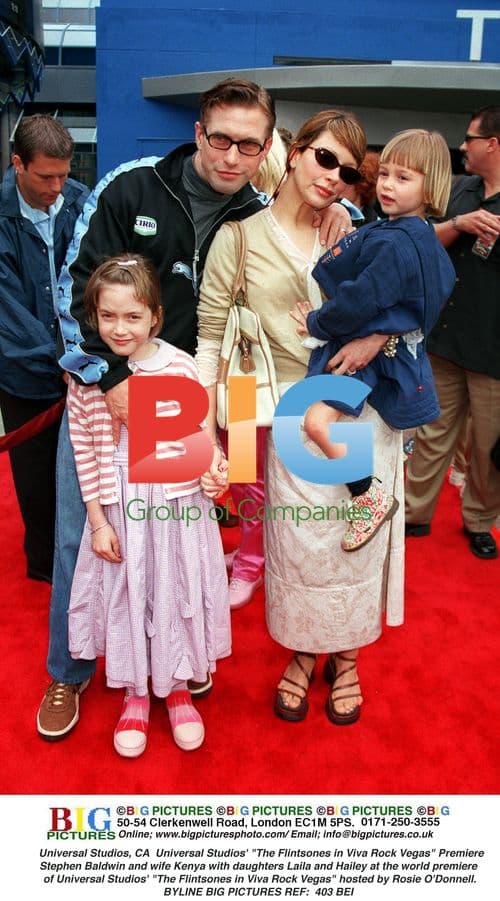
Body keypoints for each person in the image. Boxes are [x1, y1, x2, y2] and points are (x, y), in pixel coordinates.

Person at [36, 77, 351, 741]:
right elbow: (71, 292)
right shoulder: (132, 185)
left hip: (192, 405)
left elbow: (258, 324)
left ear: (268, 147)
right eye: (219, 138)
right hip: (106, 394)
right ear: (197, 133)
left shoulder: (261, 220)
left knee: (181, 542)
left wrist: (344, 225)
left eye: (247, 143)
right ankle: (69, 669)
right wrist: (113, 378)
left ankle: (174, 660)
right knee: (86, 535)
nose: (230, 156)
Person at [197, 110, 404, 727]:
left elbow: (411, 307)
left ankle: (347, 656)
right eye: (324, 158)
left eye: (347, 169)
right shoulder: (238, 238)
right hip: (289, 415)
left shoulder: (361, 236)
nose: (334, 176)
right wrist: (208, 426)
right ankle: (303, 651)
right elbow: (211, 335)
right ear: (293, 154)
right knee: (300, 544)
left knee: (358, 546)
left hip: (362, 411)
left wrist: (377, 341)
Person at [66, 254, 230, 756]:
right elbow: (85, 451)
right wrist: (96, 522)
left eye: (133, 316)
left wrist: (215, 470)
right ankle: (136, 694)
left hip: (176, 505)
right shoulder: (86, 376)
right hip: (119, 506)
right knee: (129, 592)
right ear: (93, 317)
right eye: (108, 316)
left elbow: (200, 437)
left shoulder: (179, 364)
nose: (120, 328)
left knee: (175, 586)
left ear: (155, 316)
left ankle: (178, 688)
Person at [290, 129, 455, 552]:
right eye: (384, 173)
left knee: (314, 421)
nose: (387, 185)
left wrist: (317, 322)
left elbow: (359, 299)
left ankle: (368, 494)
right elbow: (438, 290)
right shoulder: (422, 237)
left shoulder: (394, 243)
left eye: (403, 177)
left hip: (369, 362)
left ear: (429, 185)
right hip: (396, 358)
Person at [405, 105, 500, 560]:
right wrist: (458, 224)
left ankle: (479, 521)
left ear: (493, 144)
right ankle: (413, 514)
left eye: (470, 138)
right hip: (443, 341)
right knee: (431, 434)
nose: (463, 146)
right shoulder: (461, 190)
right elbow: (421, 239)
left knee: (486, 447)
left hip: (494, 356)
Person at [0, 115, 88, 583]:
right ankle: (46, 571)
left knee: (86, 475)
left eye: (64, 174)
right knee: (35, 483)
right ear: (17, 163)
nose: (57, 186)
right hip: (25, 377)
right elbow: (7, 313)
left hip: (81, 368)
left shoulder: (80, 201)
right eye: (45, 176)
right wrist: (62, 362)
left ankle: (85, 564)